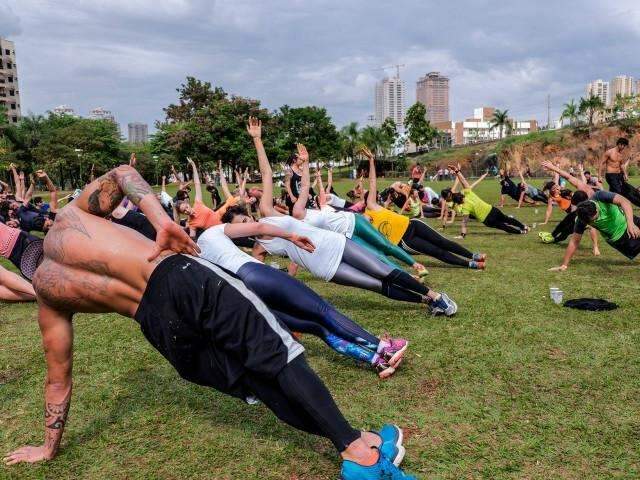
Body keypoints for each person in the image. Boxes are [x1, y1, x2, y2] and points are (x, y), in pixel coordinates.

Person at [2, 164, 417, 479]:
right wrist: (163, 222)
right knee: (279, 358)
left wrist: (48, 446)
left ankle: (360, 439)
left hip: (158, 327)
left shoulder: (49, 298)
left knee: (260, 382)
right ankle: (360, 456)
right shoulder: (71, 219)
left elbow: (59, 380)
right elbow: (125, 174)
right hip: (180, 278)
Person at [224, 117, 457, 316]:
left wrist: (257, 140)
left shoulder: (266, 213)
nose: (247, 225)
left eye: (245, 220)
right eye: (240, 227)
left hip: (335, 243)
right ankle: (426, 302)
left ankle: (435, 295)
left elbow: (268, 173)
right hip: (325, 267)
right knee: (374, 285)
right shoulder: (258, 250)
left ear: (248, 216)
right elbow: (256, 277)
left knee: (381, 270)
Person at [197, 223, 408, 378]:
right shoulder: (211, 233)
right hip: (255, 274)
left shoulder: (194, 260)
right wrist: (291, 236)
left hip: (245, 295)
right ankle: (384, 348)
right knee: (323, 311)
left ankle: (377, 362)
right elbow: (259, 226)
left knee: (317, 328)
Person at [290, 148, 425, 273]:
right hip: (348, 236)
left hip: (356, 221)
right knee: (376, 255)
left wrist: (313, 171)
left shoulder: (322, 206)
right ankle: (406, 275)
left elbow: (309, 186)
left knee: (385, 245)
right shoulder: (306, 225)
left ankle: (415, 265)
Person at [361, 148, 487, 270]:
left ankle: (473, 256)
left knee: (442, 241)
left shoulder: (371, 206)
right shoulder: (363, 230)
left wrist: (372, 160)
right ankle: (469, 264)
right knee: (436, 251)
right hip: (405, 241)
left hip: (412, 224)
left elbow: (372, 181)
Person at [543, 162, 640, 270]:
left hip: (630, 221)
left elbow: (624, 201)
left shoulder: (598, 196)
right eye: (593, 221)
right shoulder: (581, 219)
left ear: (595, 205)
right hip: (620, 239)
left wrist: (630, 224)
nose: (596, 220)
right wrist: (564, 265)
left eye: (596, 217)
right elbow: (574, 241)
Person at [444, 165, 528, 236]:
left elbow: (464, 223)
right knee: (507, 219)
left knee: (503, 227)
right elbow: (463, 181)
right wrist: (457, 171)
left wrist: (462, 235)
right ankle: (523, 227)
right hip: (492, 210)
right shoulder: (466, 192)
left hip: (487, 220)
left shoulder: (463, 207)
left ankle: (521, 231)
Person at [600, 137, 640, 207]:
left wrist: (625, 174)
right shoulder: (609, 152)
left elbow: (621, 165)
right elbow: (601, 163)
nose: (624, 148)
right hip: (611, 175)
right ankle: (619, 206)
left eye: (625, 146)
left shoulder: (621, 154)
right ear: (619, 144)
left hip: (619, 175)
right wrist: (599, 176)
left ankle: (610, 204)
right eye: (623, 146)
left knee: (629, 189)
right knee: (619, 192)